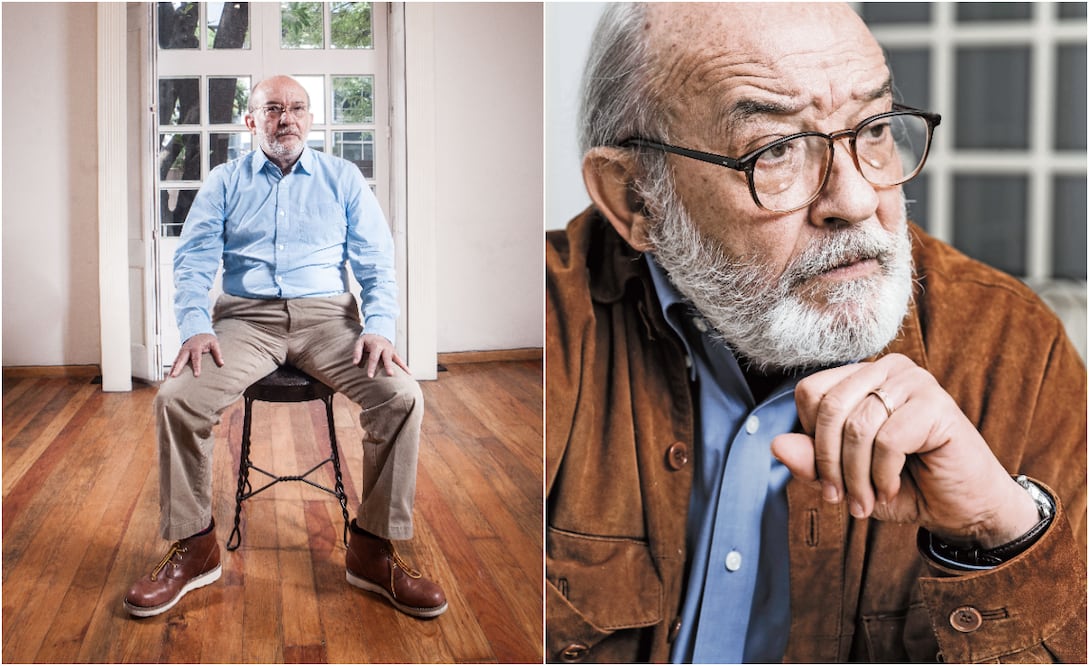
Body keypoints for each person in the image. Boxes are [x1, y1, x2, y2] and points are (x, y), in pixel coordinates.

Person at [545, 3, 1086, 663]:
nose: (856, 201)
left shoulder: (1015, 349)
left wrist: (996, 533)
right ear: (635, 197)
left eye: (873, 128)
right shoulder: (547, 325)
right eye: (775, 150)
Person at [124, 75, 447, 620]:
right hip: (246, 320)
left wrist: (379, 327)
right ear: (252, 121)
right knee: (176, 399)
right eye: (273, 108)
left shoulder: (343, 179)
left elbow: (375, 263)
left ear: (310, 119)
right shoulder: (225, 182)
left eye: (297, 108)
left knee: (402, 396)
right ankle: (195, 546)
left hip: (328, 320)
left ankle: (372, 548)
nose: (286, 118)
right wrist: (195, 327)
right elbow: (193, 261)